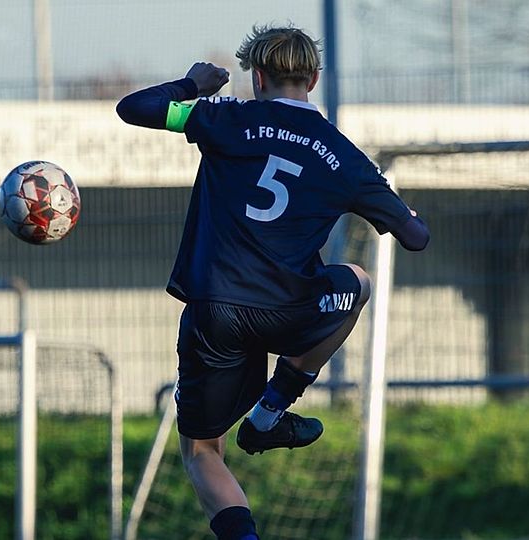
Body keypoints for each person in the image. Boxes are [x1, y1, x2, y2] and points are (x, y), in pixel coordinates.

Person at [116, 25, 429, 539]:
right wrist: (400, 211)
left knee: (201, 451)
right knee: (358, 282)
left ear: (256, 77)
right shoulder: (344, 156)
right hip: (291, 312)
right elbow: (415, 237)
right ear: (314, 78)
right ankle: (270, 411)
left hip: (216, 312)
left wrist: (194, 84)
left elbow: (134, 108)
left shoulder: (226, 118)